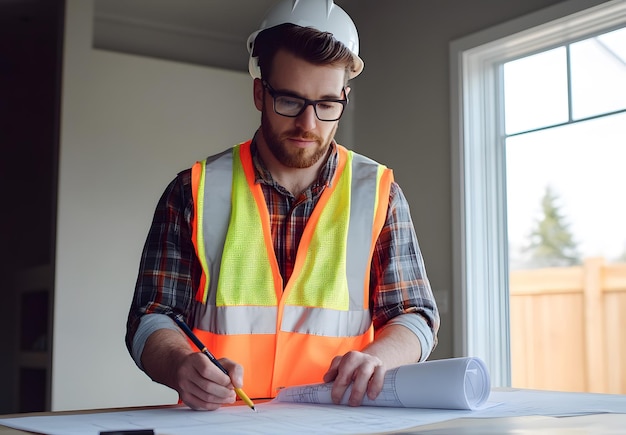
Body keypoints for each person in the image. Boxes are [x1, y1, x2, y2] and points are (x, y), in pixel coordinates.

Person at [126, 0, 439, 412]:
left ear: (344, 97)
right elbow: (151, 315)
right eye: (290, 101)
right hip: (224, 425)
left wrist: (377, 359)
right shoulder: (194, 191)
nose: (308, 125)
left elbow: (416, 315)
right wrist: (180, 363)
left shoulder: (378, 193)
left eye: (327, 105)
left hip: (340, 424)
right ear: (260, 92)